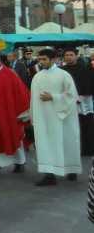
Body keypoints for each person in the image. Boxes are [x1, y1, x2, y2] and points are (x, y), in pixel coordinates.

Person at [30, 48, 81, 186]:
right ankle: (49, 174)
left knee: (67, 141)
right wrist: (33, 116)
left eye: (44, 59)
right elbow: (33, 99)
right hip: (43, 118)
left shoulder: (63, 75)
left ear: (53, 59)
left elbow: (72, 95)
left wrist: (53, 97)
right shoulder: (37, 77)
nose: (41, 62)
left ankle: (71, 169)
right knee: (46, 144)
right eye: (39, 59)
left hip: (63, 117)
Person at [60, 48, 94, 156]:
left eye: (71, 54)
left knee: (86, 126)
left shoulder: (85, 69)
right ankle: (69, 150)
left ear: (76, 56)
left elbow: (89, 84)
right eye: (66, 55)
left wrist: (81, 95)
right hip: (66, 101)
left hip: (83, 101)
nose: (69, 57)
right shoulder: (61, 70)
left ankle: (87, 149)